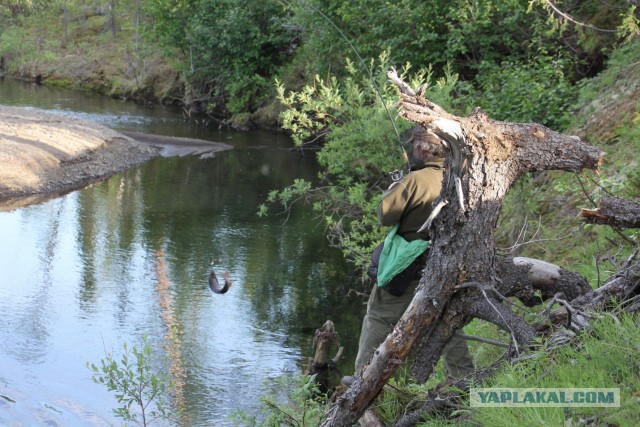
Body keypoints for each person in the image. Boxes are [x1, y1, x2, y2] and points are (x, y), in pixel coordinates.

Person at [343, 126, 474, 386]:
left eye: (414, 146)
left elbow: (386, 215)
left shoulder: (416, 180)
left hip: (409, 264)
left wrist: (395, 187)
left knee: (379, 316)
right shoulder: (460, 176)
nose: (411, 151)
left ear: (423, 149)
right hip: (445, 262)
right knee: (445, 318)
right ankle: (465, 379)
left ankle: (361, 382)